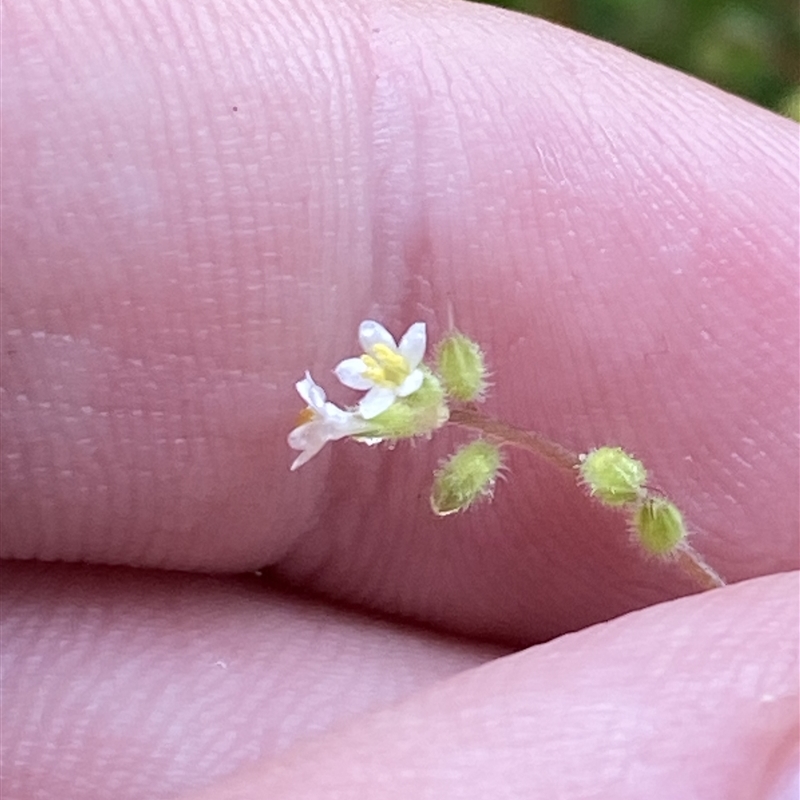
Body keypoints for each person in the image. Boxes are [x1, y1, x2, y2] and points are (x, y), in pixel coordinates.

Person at [1, 1, 797, 797]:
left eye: (391, 375)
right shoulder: (434, 400)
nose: (384, 371)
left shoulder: (435, 391)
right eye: (384, 378)